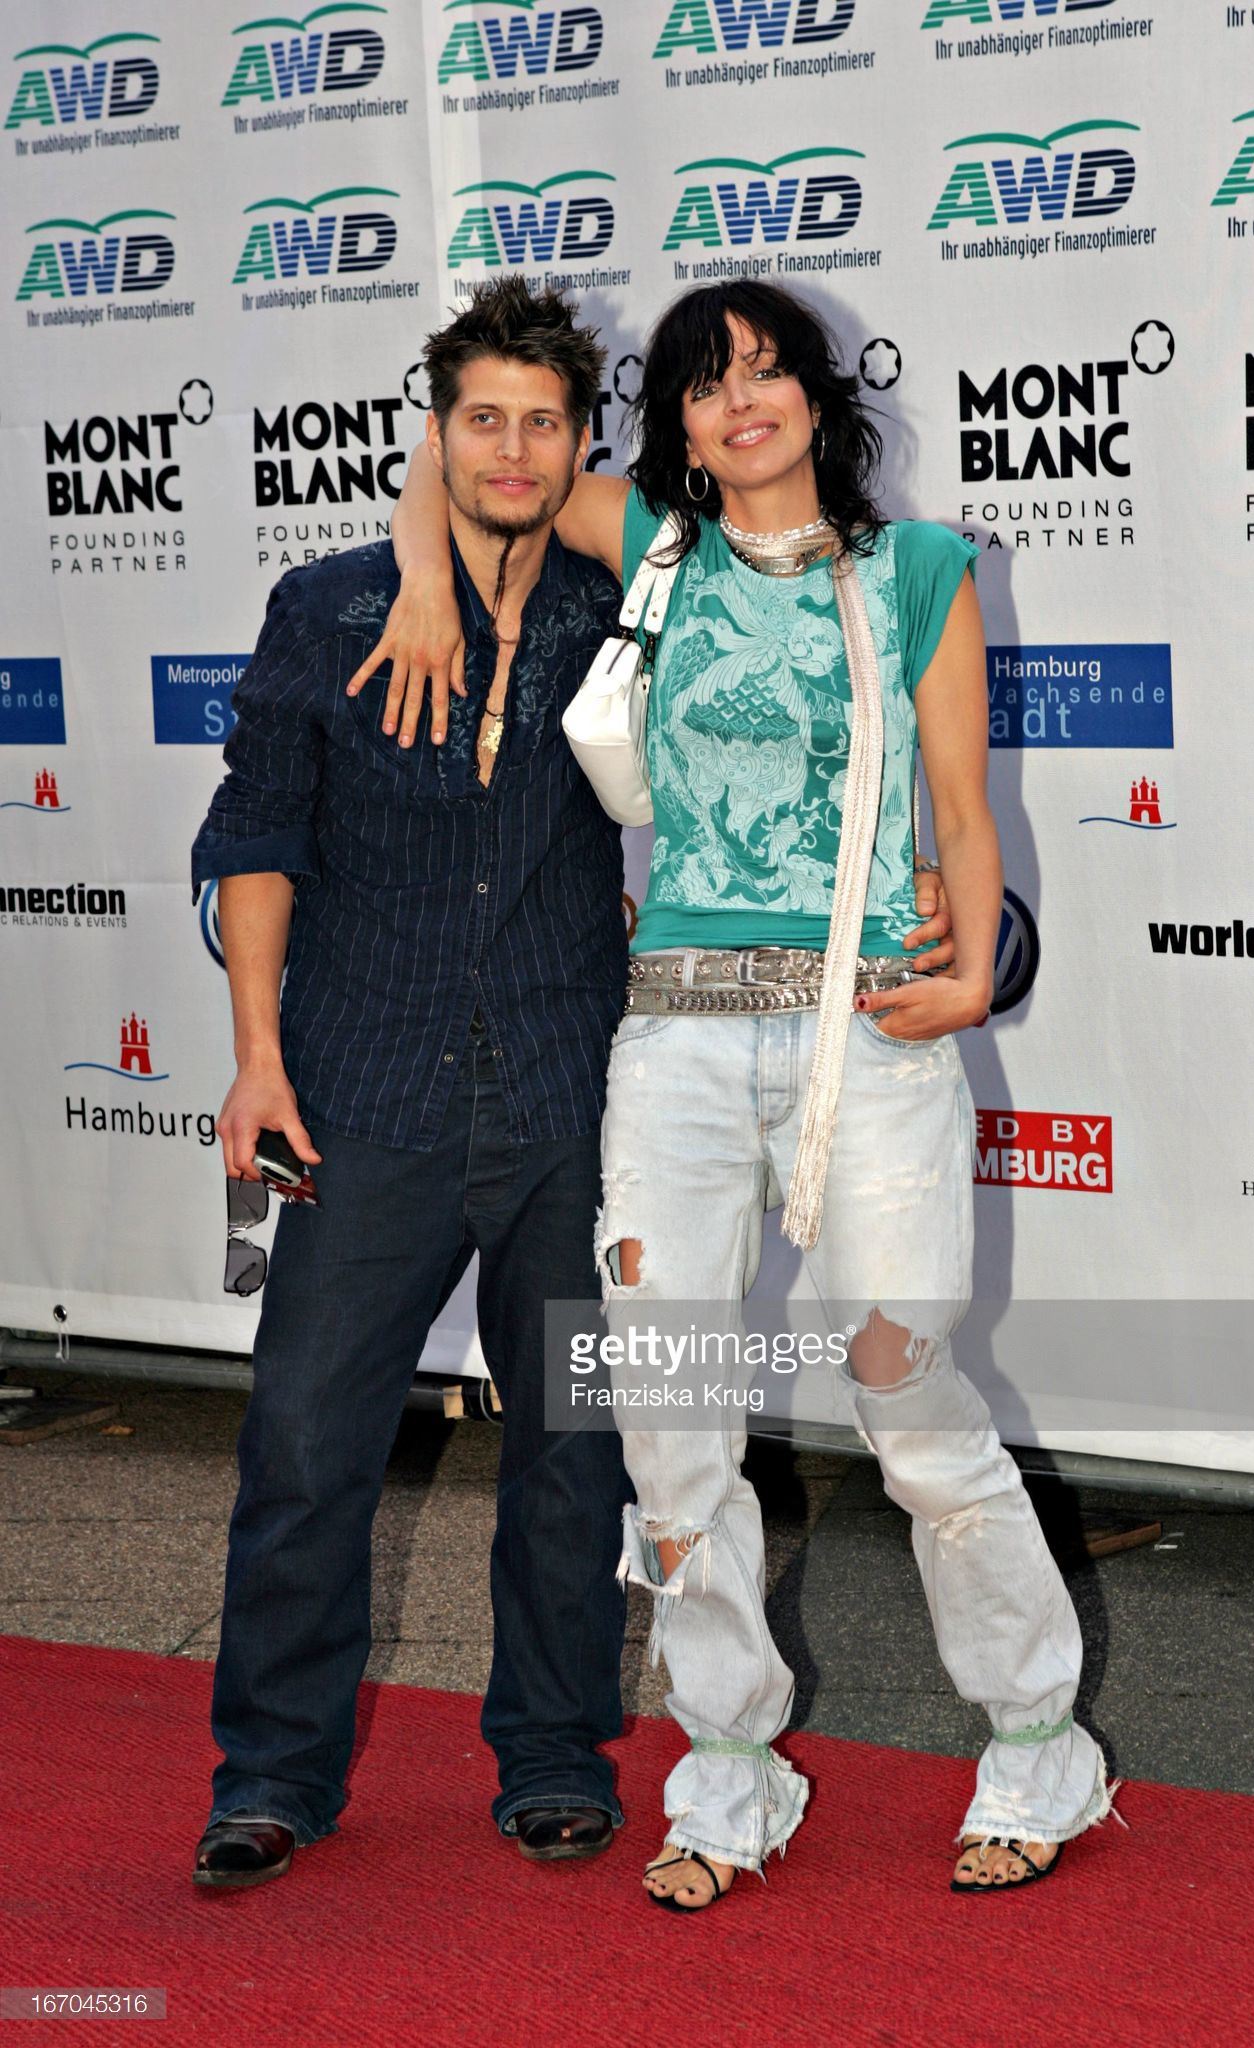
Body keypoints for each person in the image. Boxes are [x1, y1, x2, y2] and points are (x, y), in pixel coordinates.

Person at [370, 277, 1114, 1911]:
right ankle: (728, 1758)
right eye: (708, 384)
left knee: (909, 1405)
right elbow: (462, 463)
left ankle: (1038, 1738)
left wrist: (975, 973)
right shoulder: (651, 542)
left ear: (820, 400)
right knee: (669, 1422)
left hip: (872, 1034)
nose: (742, 402)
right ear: (682, 427)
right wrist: (427, 584)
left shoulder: (919, 570)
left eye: (769, 372)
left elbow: (963, 812)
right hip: (681, 1043)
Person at [188, 279, 640, 1888]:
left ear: (582, 443)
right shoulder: (326, 611)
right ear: (433, 432)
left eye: (543, 423)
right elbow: (255, 837)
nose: (512, 450)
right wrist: (256, 1060)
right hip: (360, 1087)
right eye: (482, 420)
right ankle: (273, 1774)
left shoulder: (622, 605)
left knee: (572, 1448)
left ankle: (554, 1753)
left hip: (568, 1095)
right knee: (307, 1445)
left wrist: (454, 566)